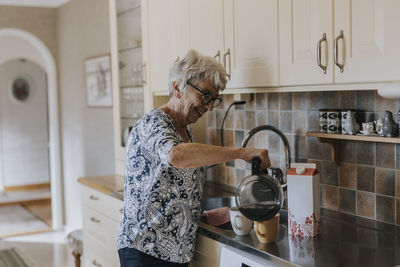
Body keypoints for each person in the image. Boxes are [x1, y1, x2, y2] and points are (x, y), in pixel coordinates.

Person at [117, 49, 270, 267]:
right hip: (146, 250)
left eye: (214, 100)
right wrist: (243, 153)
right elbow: (176, 154)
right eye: (205, 95)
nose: (209, 106)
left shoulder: (185, 131)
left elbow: (175, 190)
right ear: (177, 88)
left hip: (175, 252)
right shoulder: (154, 123)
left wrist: (200, 215)